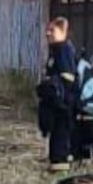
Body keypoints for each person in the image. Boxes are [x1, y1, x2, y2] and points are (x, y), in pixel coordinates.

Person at [36, 18, 76, 173]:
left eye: (52, 30)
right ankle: (56, 162)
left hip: (63, 101)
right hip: (55, 101)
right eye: (48, 30)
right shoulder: (56, 50)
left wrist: (52, 86)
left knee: (61, 132)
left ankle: (60, 164)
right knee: (54, 130)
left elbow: (68, 77)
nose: (48, 33)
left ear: (63, 32)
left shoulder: (64, 49)